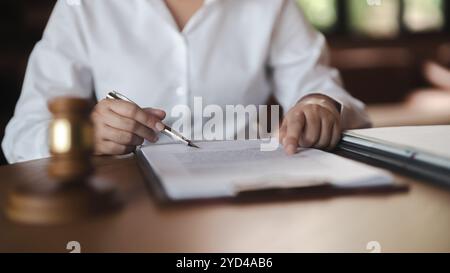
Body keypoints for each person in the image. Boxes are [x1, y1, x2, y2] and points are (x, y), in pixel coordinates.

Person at [2, 0, 370, 163]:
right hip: (126, 212)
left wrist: (320, 106)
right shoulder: (83, 5)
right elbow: (20, 137)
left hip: (247, 200)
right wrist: (83, 134)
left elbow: (328, 96)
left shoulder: (271, 4)